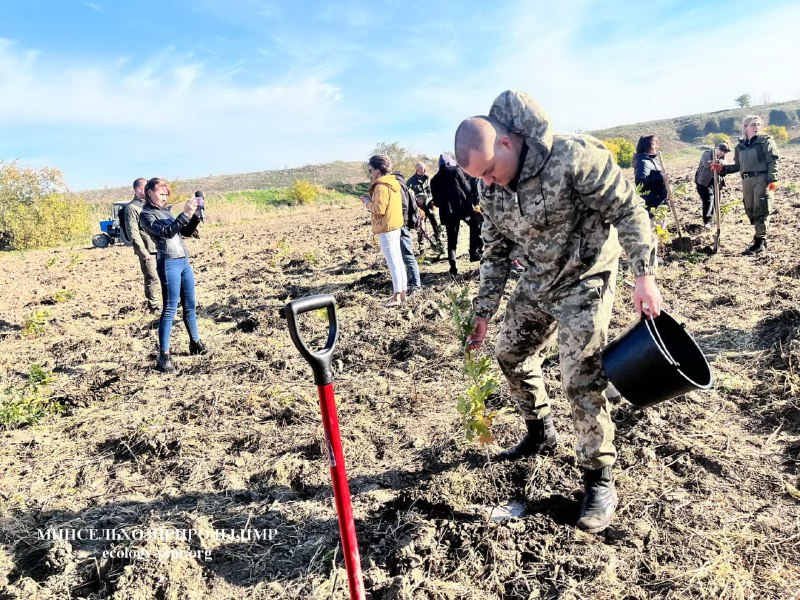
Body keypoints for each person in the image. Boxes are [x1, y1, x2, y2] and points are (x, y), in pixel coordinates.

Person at [454, 90, 662, 534]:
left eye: (490, 171)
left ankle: (598, 480)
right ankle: (539, 431)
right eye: (479, 178)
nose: (487, 183)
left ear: (508, 142)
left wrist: (643, 274)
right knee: (510, 356)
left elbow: (628, 209)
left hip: (585, 280)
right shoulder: (489, 188)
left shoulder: (573, 157)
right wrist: (484, 311)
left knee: (580, 378)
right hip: (536, 283)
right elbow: (494, 252)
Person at [140, 178, 208, 373]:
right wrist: (184, 213)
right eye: (161, 193)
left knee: (190, 305)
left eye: (166, 194)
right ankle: (164, 355)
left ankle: (195, 343)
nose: (164, 196)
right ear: (149, 193)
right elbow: (167, 232)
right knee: (170, 308)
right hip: (168, 262)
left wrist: (194, 216)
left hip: (183, 261)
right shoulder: (146, 215)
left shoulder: (165, 212)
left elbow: (184, 231)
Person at [713, 116, 780, 255]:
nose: (757, 127)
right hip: (746, 181)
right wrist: (723, 169)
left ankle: (760, 242)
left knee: (761, 208)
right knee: (750, 209)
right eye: (753, 125)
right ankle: (759, 239)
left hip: (761, 178)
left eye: (758, 124)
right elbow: (738, 166)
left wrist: (773, 179)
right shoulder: (740, 146)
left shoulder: (766, 141)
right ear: (745, 128)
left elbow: (773, 161)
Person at [362, 155, 407, 306]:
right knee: (399, 261)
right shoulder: (393, 182)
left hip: (386, 229)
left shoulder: (381, 186)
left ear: (378, 170)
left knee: (393, 263)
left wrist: (367, 202)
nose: (370, 173)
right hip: (395, 226)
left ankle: (396, 297)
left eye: (371, 170)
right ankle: (403, 293)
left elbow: (379, 209)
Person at [429, 153, 483, 276]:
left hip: (447, 213)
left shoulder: (434, 180)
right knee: (475, 224)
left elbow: (436, 201)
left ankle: (453, 266)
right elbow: (467, 188)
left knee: (452, 240)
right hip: (463, 209)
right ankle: (473, 253)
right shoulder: (455, 171)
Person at [124, 178, 160, 312]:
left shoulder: (151, 205)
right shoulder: (132, 208)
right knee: (152, 277)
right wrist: (142, 252)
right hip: (148, 250)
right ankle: (154, 306)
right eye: (146, 188)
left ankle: (172, 302)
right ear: (139, 189)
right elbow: (133, 232)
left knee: (166, 276)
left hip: (160, 247)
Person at [394, 171, 423, 294]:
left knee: (408, 255)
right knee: (405, 255)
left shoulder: (399, 188)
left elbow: (404, 207)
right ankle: (411, 282)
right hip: (403, 224)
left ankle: (416, 286)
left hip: (401, 225)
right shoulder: (405, 188)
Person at [694, 142, 730, 228]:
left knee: (716, 201)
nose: (721, 154)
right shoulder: (707, 153)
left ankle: (714, 220)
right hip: (703, 183)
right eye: (720, 152)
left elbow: (722, 171)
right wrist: (718, 161)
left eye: (722, 154)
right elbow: (707, 164)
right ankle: (707, 222)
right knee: (708, 200)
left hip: (716, 182)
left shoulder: (722, 157)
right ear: (716, 148)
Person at [407, 162, 441, 248]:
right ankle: (421, 246)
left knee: (436, 223)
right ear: (417, 170)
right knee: (421, 226)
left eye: (425, 168)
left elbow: (436, 190)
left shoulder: (429, 178)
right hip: (419, 208)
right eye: (422, 169)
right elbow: (408, 195)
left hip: (430, 205)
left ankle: (438, 240)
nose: (424, 170)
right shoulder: (411, 181)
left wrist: (435, 200)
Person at [633, 135, 668, 218]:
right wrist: (661, 178)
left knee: (661, 225)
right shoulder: (643, 162)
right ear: (649, 146)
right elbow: (640, 182)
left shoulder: (652, 160)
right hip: (651, 204)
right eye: (655, 144)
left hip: (659, 201)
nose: (657, 146)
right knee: (654, 226)